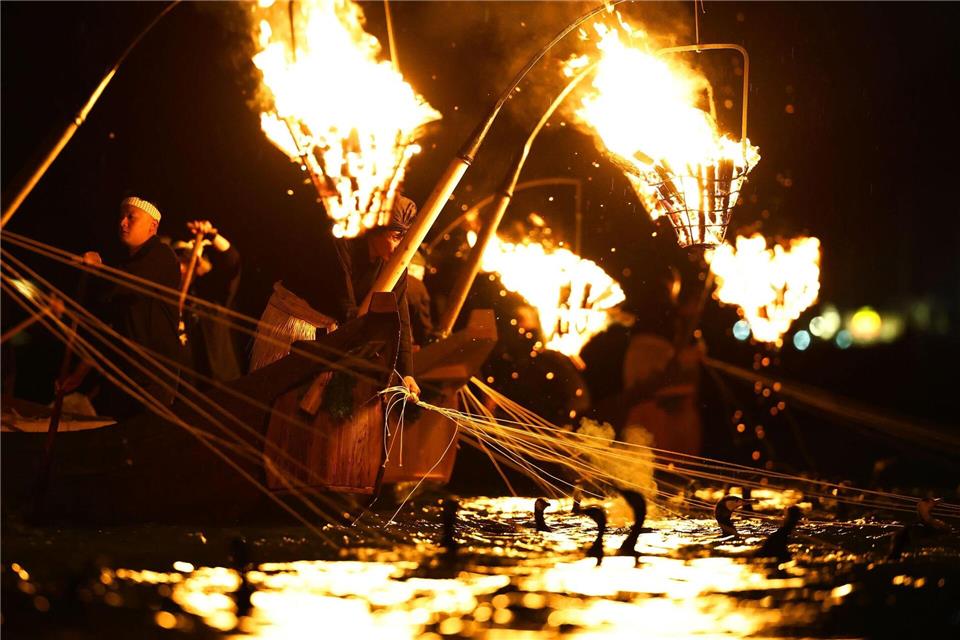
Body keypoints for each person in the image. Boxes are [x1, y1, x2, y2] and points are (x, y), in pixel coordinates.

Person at [249, 195, 421, 400]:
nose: (399, 247)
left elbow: (401, 318)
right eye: (395, 237)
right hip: (297, 324)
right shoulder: (343, 239)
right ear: (375, 228)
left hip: (334, 333)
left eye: (404, 239)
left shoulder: (397, 265)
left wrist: (407, 372)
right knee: (275, 400)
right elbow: (346, 305)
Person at [61, 196, 185, 419]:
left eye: (131, 217)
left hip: (151, 378)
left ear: (152, 226)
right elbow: (111, 327)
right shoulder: (123, 265)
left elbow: (125, 284)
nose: (122, 223)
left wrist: (98, 269)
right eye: (121, 217)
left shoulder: (162, 256)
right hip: (122, 375)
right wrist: (79, 373)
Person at [175, 220, 243, 382]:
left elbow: (232, 262)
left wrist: (212, 235)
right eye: (178, 262)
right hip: (186, 385)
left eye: (187, 261)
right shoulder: (167, 294)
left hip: (222, 380)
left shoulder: (212, 293)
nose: (182, 268)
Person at [406, 251, 435, 349]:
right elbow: (423, 325)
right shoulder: (416, 285)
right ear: (414, 268)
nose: (422, 277)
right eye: (422, 273)